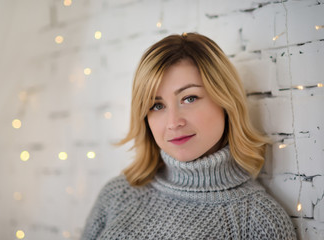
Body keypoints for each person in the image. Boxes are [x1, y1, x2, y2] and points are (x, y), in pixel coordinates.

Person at [81, 33, 297, 239]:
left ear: (225, 101)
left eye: (190, 98)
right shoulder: (118, 194)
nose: (173, 122)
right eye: (157, 105)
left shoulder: (258, 220)